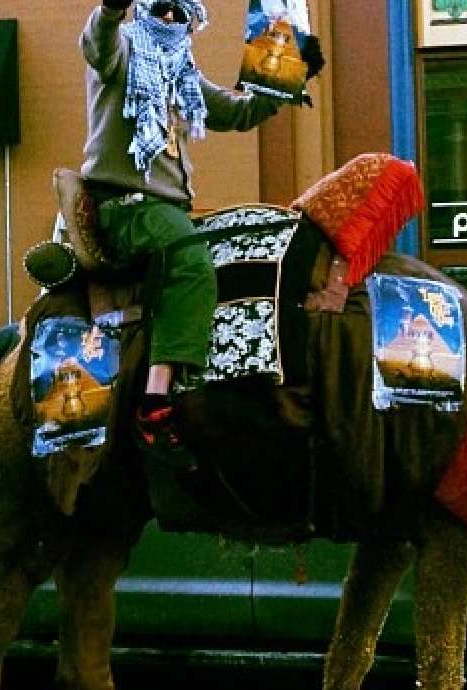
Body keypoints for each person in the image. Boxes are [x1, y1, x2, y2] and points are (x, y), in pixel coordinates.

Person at [79, 0, 297, 450]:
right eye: (162, 10)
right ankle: (155, 398)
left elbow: (237, 112)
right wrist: (110, 9)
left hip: (170, 210)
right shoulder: (120, 53)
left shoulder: (183, 77)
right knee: (190, 258)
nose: (171, 20)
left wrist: (280, 82)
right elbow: (98, 43)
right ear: (142, 13)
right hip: (126, 207)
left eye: (181, 14)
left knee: (246, 236)